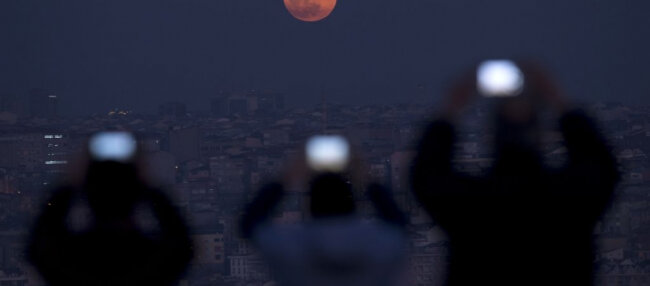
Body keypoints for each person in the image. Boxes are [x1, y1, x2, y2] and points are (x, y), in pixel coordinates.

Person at [411, 63, 619, 286]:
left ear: (493, 136)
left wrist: (451, 108)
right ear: (539, 134)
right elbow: (602, 166)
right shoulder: (569, 199)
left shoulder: (472, 204)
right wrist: (560, 102)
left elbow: (426, 173)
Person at [27, 131, 192, 286]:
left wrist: (71, 181)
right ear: (136, 196)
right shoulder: (152, 262)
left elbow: (40, 244)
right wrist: (147, 182)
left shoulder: (72, 261)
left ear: (88, 196)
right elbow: (181, 244)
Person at [240, 137, 408, 286]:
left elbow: (250, 224)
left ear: (310, 205)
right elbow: (399, 224)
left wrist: (289, 176)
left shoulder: (292, 243)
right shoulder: (375, 242)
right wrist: (365, 177)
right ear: (354, 204)